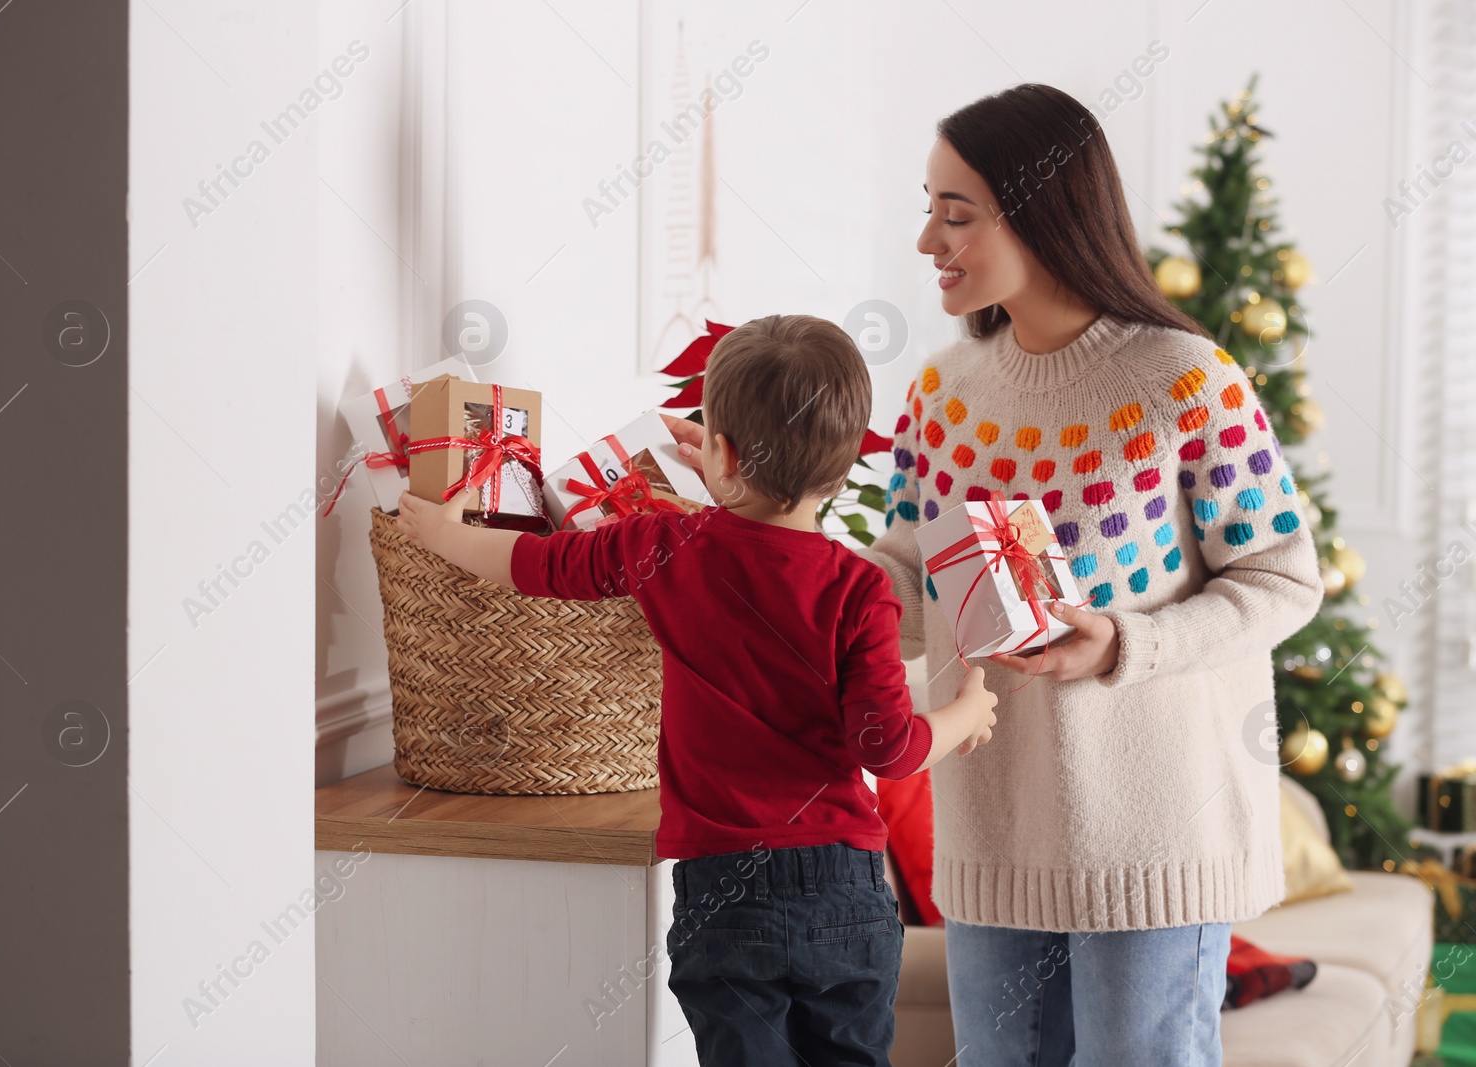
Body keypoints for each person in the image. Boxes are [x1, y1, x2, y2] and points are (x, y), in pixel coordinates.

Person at [668, 84, 1325, 1065]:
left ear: (1043, 211)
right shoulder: (943, 392)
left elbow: (1283, 576)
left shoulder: (1184, 379)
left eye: (955, 212)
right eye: (925, 207)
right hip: (993, 838)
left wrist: (1127, 642)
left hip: (1154, 843)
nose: (929, 239)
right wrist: (748, 519)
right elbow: (896, 579)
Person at [394, 313, 999, 1067]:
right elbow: (889, 746)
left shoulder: (664, 549)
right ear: (842, 470)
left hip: (725, 888)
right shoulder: (860, 587)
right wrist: (964, 714)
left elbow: (539, 564)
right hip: (842, 885)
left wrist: (441, 532)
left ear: (719, 451)